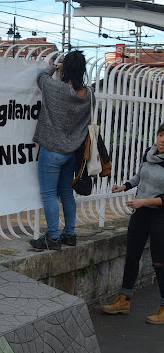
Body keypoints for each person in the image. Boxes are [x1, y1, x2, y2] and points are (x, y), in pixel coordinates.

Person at [30, 50, 93, 250]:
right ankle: (70, 234)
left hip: (52, 151)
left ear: (65, 68)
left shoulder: (55, 88)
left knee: (48, 194)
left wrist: (54, 67)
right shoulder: (90, 94)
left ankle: (53, 237)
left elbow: (40, 77)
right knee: (66, 193)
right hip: (72, 153)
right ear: (82, 70)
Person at [102, 124, 164, 324]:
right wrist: (125, 186)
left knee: (159, 261)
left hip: (160, 216)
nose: (162, 139)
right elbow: (140, 177)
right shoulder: (149, 153)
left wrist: (144, 201)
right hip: (141, 213)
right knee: (132, 255)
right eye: (161, 134)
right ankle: (124, 299)